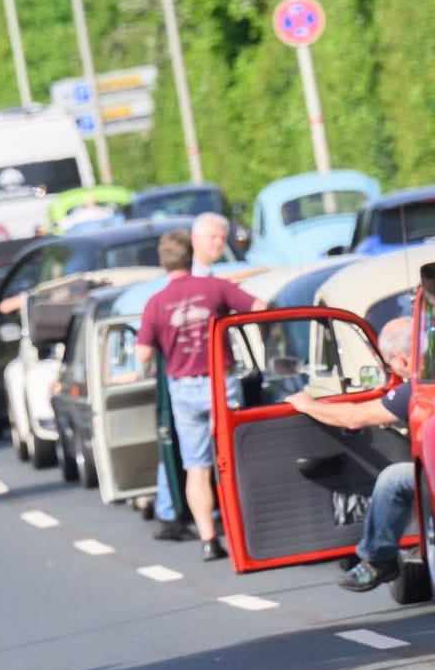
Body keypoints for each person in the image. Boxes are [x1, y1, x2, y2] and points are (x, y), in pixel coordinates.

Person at [134, 229, 266, 562]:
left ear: (163, 262)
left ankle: (209, 539)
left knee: (197, 468)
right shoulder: (215, 288)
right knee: (235, 457)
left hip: (183, 389)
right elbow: (259, 307)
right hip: (221, 384)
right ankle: (247, 530)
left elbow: (142, 354)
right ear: (190, 254)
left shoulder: (155, 303)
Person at [283, 317, 417, 593]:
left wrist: (307, 404)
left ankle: (378, 560)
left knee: (393, 479)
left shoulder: (418, 388)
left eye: (390, 363)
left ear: (401, 359)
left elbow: (355, 418)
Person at [151, 212, 234, 540]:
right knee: (206, 455)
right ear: (194, 241)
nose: (220, 243)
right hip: (208, 379)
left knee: (194, 457)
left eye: (222, 237)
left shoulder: (204, 280)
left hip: (186, 381)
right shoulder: (202, 283)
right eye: (213, 237)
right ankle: (173, 510)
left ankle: (193, 523)